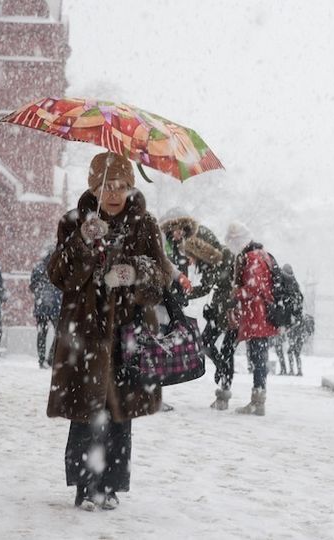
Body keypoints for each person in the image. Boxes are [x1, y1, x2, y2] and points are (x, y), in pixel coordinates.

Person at [46, 151, 169, 510]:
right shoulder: (73, 223)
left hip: (127, 335)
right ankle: (85, 486)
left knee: (119, 415)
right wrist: (82, 243)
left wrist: (134, 273)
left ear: (130, 187)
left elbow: (160, 280)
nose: (113, 194)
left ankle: (111, 484)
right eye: (106, 186)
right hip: (85, 333)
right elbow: (59, 276)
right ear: (93, 187)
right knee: (86, 413)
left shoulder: (146, 225)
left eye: (121, 186)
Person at [181, 235, 238, 410]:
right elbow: (206, 287)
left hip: (231, 309)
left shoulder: (226, 255)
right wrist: (185, 293)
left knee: (226, 349)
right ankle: (221, 368)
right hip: (219, 309)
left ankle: (224, 393)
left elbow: (235, 280)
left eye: (191, 257)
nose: (190, 262)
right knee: (206, 343)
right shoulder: (209, 263)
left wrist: (231, 303)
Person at [226, 221, 278, 416]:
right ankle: (257, 400)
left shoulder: (253, 258)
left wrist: (236, 292)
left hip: (258, 316)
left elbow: (254, 287)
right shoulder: (260, 254)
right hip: (260, 316)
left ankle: (258, 402)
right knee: (258, 358)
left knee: (258, 359)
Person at [29, 247, 62, 369]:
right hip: (51, 306)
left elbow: (32, 286)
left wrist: (41, 292)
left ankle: (44, 359)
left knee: (44, 333)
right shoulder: (56, 267)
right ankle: (47, 359)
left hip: (47, 306)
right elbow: (33, 286)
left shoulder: (41, 268)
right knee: (54, 333)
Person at [272, 263, 305, 376]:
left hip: (282, 321)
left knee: (279, 346)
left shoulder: (280, 283)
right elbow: (300, 300)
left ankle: (284, 369)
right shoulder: (295, 284)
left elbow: (276, 298)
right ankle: (294, 370)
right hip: (293, 322)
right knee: (292, 349)